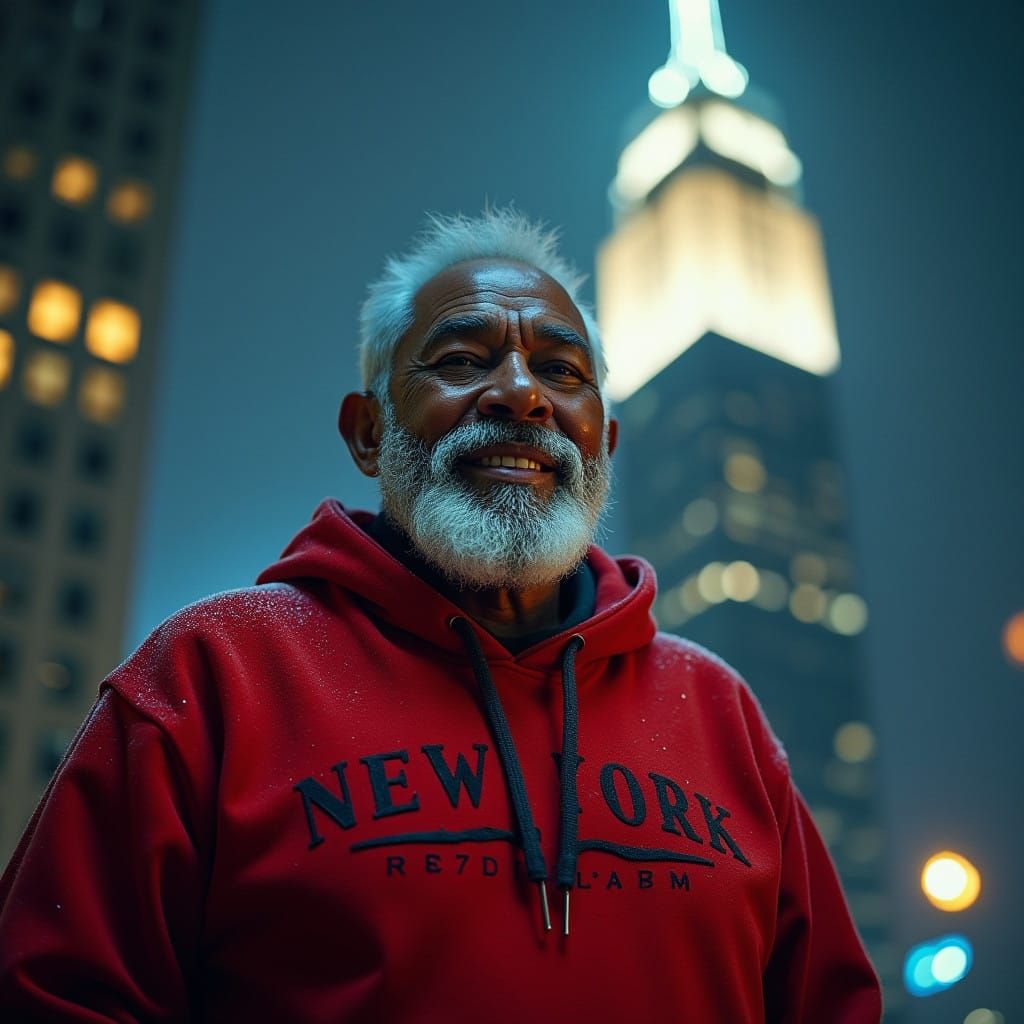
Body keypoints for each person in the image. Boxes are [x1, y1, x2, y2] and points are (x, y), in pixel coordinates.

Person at [0, 209, 882, 1021]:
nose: (520, 395)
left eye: (562, 372)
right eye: (462, 361)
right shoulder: (208, 676)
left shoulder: (720, 710)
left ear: (603, 442)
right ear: (368, 433)